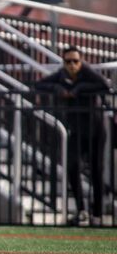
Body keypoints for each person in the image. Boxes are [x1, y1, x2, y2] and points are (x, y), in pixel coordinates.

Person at [35, 46, 110, 227]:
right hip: (75, 130)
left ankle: (98, 213)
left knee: (96, 171)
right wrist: (57, 87)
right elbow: (39, 84)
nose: (72, 65)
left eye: (75, 61)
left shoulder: (87, 73)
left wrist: (79, 88)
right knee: (72, 167)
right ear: (64, 62)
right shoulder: (61, 75)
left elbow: (105, 85)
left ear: (81, 61)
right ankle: (82, 210)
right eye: (68, 61)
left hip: (95, 130)